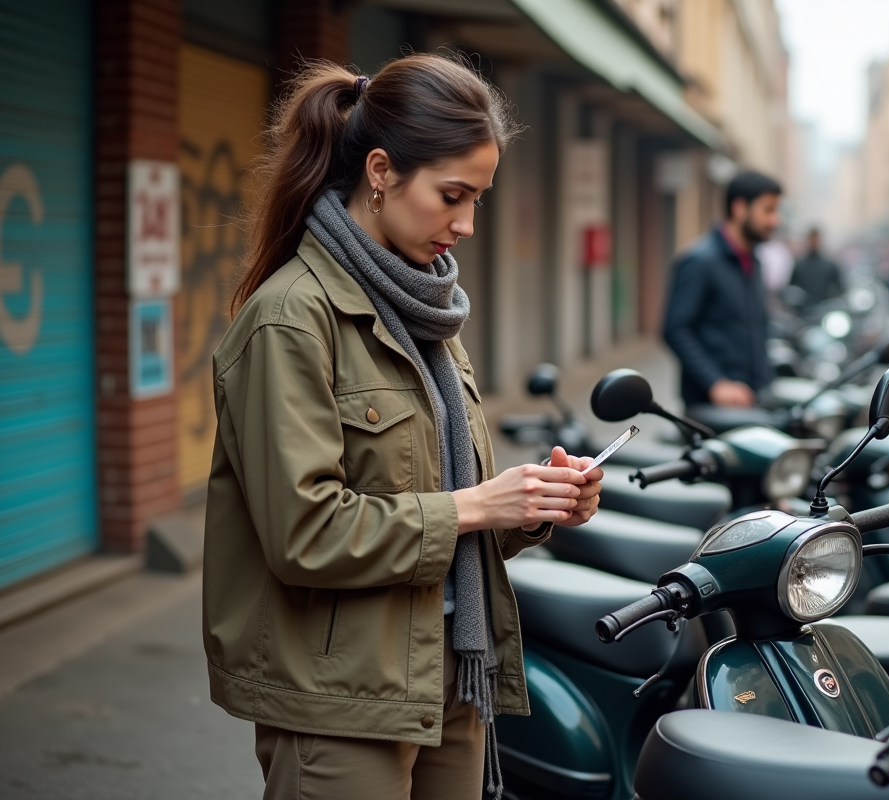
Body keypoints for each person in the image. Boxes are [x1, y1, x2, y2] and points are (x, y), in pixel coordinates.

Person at [202, 56, 602, 800]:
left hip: (451, 671)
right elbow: (305, 534)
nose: (466, 225)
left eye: (478, 199)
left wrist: (538, 505)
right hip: (343, 697)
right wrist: (480, 504)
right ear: (380, 171)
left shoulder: (428, 312)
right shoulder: (291, 319)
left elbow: (442, 501)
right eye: (452, 196)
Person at [662, 171, 781, 409]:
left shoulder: (754, 261)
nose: (774, 220)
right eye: (767, 210)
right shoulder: (700, 261)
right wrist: (715, 383)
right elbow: (675, 329)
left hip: (751, 400)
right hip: (710, 408)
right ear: (739, 208)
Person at [789, 226, 844, 308]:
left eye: (816, 240)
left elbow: (840, 289)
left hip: (825, 309)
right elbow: (792, 289)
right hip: (804, 311)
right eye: (812, 239)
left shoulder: (829, 265)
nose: (814, 242)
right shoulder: (799, 265)